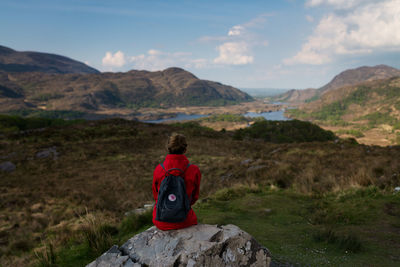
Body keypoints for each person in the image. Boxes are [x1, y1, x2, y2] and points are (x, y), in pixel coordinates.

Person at [152, 133, 201, 230]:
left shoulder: (159, 169)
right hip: (185, 220)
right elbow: (194, 197)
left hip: (161, 220)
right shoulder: (194, 170)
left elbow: (156, 196)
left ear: (168, 148)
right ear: (185, 150)